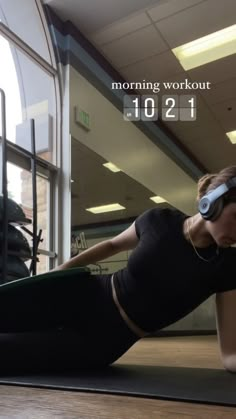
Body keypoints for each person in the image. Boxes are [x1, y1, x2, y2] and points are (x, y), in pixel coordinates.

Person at [0, 165, 236, 373]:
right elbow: (111, 244)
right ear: (213, 201)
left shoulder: (227, 266)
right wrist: (58, 273)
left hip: (103, 340)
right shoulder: (160, 220)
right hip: (81, 294)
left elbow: (230, 356)